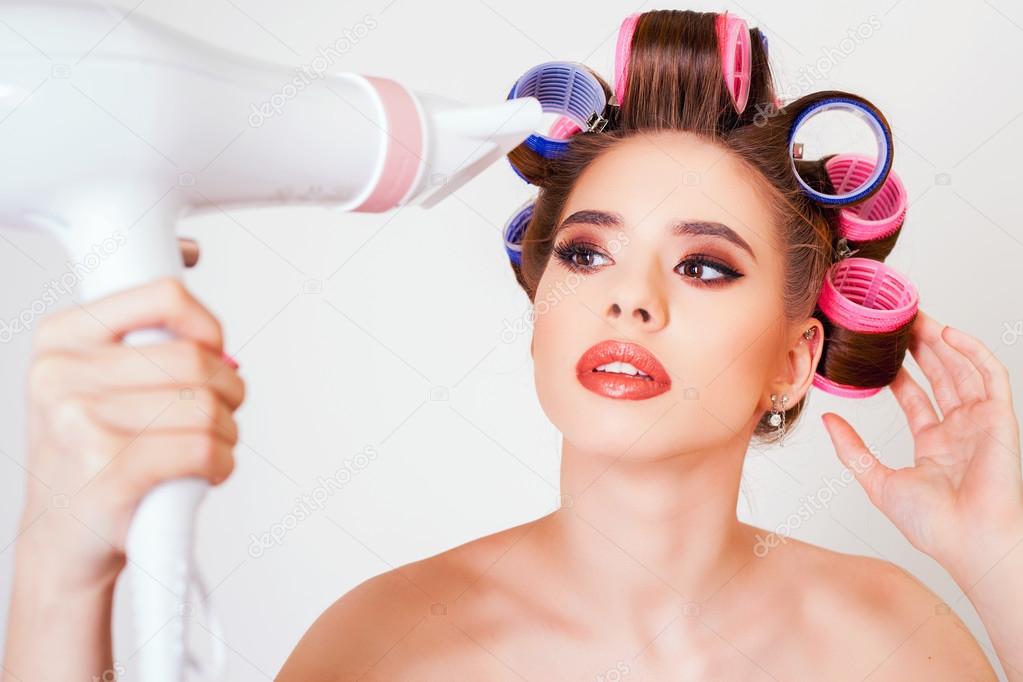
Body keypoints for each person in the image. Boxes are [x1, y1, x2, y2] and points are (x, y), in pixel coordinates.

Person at [5, 9, 1022, 681]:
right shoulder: (385, 646)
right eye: (586, 255)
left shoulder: (891, 644)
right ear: (540, 306)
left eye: (703, 267)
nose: (630, 301)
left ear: (796, 359)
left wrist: (1000, 560)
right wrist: (62, 563)